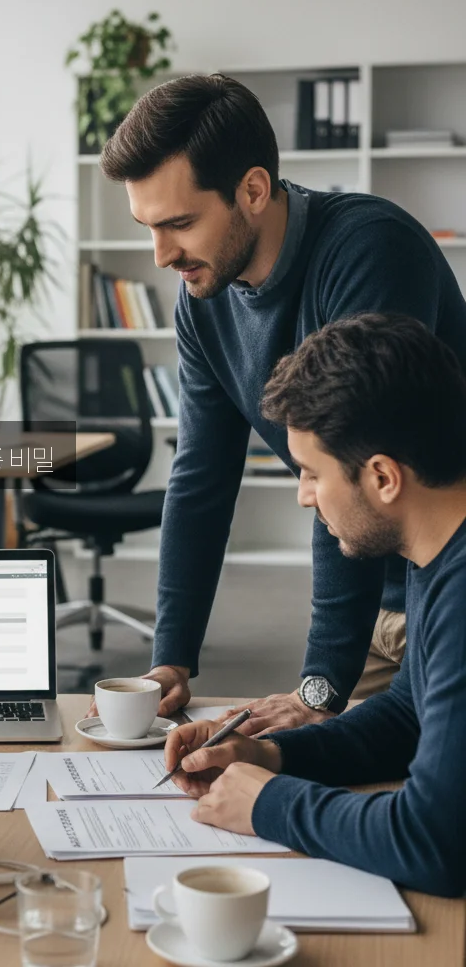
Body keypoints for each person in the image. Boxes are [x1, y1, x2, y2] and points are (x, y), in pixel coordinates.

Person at [94, 73, 466, 734]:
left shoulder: (368, 250)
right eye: (147, 227)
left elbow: (346, 467)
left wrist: (320, 684)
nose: (161, 255)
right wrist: (170, 660)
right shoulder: (202, 303)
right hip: (377, 601)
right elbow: (201, 477)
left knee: (414, 814)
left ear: (254, 190)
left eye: (180, 223)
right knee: (295, 778)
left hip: (444, 598)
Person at [163, 313, 466, 896]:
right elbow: (409, 716)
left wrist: (270, 803)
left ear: (382, 477)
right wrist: (269, 754)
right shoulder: (435, 551)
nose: (304, 497)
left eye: (310, 473)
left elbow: (436, 840)